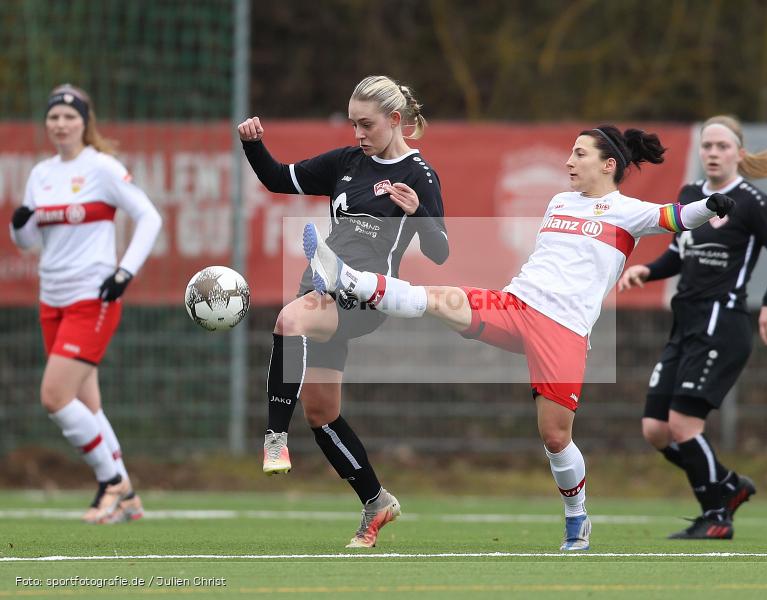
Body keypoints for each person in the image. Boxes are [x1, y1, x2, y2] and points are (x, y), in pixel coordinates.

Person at [304, 124, 735, 551]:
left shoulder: (628, 212)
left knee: (555, 437)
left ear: (608, 165)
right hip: (516, 306)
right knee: (440, 300)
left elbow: (676, 217)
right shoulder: (559, 202)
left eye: (580, 154)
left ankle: (577, 517)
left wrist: (710, 206)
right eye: (571, 152)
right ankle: (351, 279)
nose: (569, 161)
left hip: (563, 331)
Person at [237, 75, 448, 548]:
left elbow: (440, 252)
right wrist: (253, 145)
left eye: (366, 124)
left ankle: (274, 438)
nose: (358, 134)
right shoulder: (346, 163)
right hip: (320, 287)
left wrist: (419, 213)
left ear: (394, 120)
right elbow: (277, 178)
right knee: (321, 413)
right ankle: (376, 502)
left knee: (289, 319)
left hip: (365, 297)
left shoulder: (420, 174)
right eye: (353, 124)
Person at [617, 115, 767, 540]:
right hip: (686, 323)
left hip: (723, 323)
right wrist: (648, 270)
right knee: (656, 430)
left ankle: (717, 515)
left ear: (739, 153)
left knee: (684, 425)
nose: (713, 153)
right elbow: (679, 253)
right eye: (707, 146)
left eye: (722, 146)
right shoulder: (690, 195)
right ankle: (729, 485)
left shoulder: (752, 201)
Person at [9, 84, 162, 524]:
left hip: (91, 297)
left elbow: (149, 216)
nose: (60, 124)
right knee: (86, 405)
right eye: (53, 117)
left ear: (84, 122)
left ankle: (110, 482)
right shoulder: (41, 174)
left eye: (69, 116)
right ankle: (129, 499)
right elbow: (27, 241)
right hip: (51, 298)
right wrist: (19, 227)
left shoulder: (102, 167)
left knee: (54, 396)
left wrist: (124, 272)